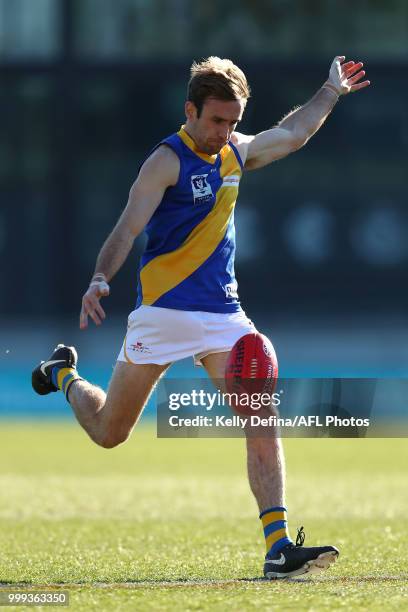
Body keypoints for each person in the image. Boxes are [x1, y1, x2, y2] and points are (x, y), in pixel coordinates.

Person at [32, 56, 369, 579]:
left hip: (222, 315)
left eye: (233, 122)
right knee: (109, 432)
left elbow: (293, 133)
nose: (224, 132)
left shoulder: (235, 151)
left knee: (260, 413)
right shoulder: (164, 161)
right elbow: (126, 229)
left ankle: (278, 547)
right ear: (190, 110)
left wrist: (329, 90)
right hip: (162, 314)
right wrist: (101, 278)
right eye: (216, 120)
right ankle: (63, 375)